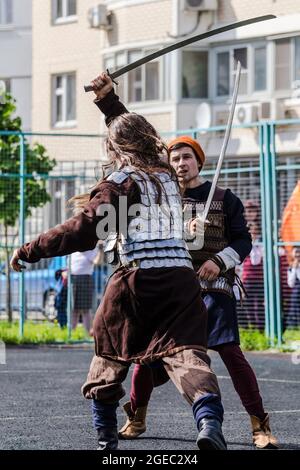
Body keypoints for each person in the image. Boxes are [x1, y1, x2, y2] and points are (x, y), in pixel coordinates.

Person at [10, 72, 227, 451]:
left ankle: (105, 436)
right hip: (180, 280)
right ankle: (208, 422)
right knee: (189, 355)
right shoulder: (165, 175)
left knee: (109, 350)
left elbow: (82, 232)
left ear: (116, 145)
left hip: (137, 279)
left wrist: (30, 249)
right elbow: (133, 133)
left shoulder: (119, 183)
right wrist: (108, 101)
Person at [118, 135, 278, 450]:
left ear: (199, 161)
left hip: (214, 291)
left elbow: (243, 241)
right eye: (175, 159)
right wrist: (181, 232)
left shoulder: (225, 198)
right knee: (148, 359)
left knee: (231, 353)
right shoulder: (162, 202)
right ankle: (136, 417)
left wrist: (219, 262)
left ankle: (260, 425)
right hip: (172, 293)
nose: (180, 164)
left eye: (186, 157)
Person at [70, 247, 99, 333]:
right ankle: (72, 333)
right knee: (73, 308)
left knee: (86, 309)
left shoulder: (92, 249)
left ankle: (88, 333)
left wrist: (100, 250)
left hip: (85, 278)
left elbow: (98, 262)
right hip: (73, 279)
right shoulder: (73, 249)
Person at [242, 222, 265, 329]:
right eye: (251, 231)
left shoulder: (260, 245)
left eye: (255, 231)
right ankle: (253, 327)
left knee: (258, 304)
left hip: (258, 279)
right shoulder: (243, 243)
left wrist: (254, 245)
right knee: (248, 304)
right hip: (247, 279)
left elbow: (256, 261)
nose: (253, 233)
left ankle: (260, 327)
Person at [286, 247, 300, 327]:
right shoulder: (291, 268)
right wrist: (295, 268)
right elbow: (290, 284)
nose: (298, 255)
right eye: (296, 253)